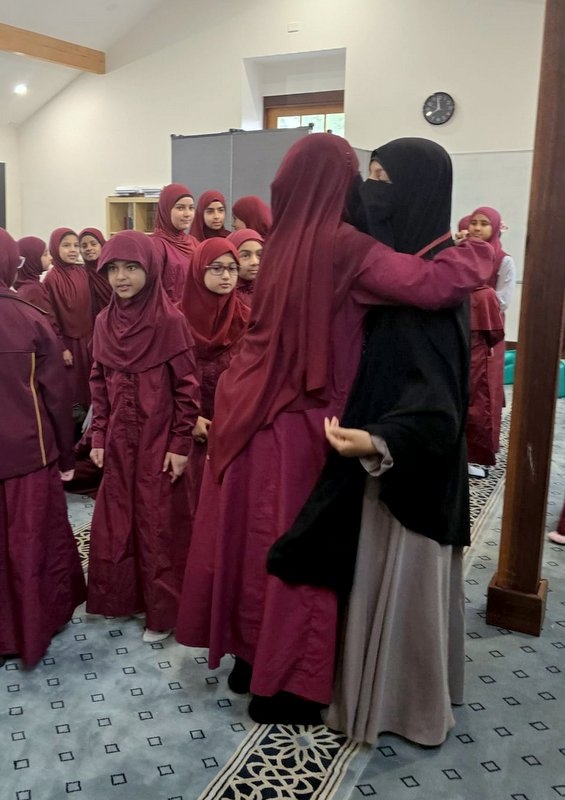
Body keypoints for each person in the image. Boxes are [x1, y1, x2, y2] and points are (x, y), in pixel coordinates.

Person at [174, 133, 495, 725]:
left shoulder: (278, 244)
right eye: (360, 177)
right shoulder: (342, 244)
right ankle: (284, 688)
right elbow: (431, 286)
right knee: (303, 550)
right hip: (302, 420)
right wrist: (483, 249)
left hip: (246, 411)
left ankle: (249, 660)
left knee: (251, 545)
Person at [269, 137, 477, 745]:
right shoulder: (400, 267)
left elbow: (439, 407)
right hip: (378, 458)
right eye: (369, 176)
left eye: (384, 178)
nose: (369, 193)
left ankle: (402, 708)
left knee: (402, 590)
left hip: (407, 471)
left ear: (416, 190)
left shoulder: (434, 283)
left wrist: (380, 441)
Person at [86, 231, 200, 643]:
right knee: (120, 519)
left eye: (131, 267)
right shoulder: (104, 322)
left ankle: (161, 610)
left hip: (158, 440)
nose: (121, 277)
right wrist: (99, 435)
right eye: (113, 269)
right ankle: (126, 597)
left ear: (150, 269)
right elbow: (98, 383)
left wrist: (180, 445)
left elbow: (188, 389)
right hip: (119, 440)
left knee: (157, 523)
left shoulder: (170, 322)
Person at [0, 227, 86, 667]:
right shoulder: (30, 318)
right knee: (30, 543)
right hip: (29, 457)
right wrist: (67, 457)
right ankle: (33, 626)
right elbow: (56, 396)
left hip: (25, 455)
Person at [181, 238, 249, 515]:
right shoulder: (176, 319)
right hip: (185, 424)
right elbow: (164, 379)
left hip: (231, 423)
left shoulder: (247, 319)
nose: (226, 276)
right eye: (217, 268)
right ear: (199, 270)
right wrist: (189, 417)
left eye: (232, 269)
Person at [460, 207, 516, 476]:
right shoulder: (460, 254)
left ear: (494, 228)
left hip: (487, 334)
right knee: (459, 389)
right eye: (474, 222)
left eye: (484, 224)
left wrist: (478, 295)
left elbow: (503, 300)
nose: (477, 228)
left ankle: (477, 455)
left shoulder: (503, 260)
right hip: (460, 331)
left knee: (483, 392)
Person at [43, 227, 94, 413]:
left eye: (76, 245)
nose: (73, 250)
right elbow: (50, 316)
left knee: (91, 385)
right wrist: (62, 347)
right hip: (68, 343)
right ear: (55, 248)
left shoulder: (83, 272)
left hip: (88, 339)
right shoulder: (51, 278)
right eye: (66, 245)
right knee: (73, 390)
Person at [151, 183, 198, 304]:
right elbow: (153, 291)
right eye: (180, 208)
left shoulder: (193, 242)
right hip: (167, 312)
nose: (187, 214)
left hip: (193, 310)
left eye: (191, 208)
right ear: (166, 210)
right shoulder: (157, 245)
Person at [14, 235, 63, 342]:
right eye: (45, 254)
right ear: (32, 259)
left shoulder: (26, 286)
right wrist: (61, 347)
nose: (50, 258)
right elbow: (48, 323)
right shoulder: (33, 290)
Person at [78, 227, 112, 317]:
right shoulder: (80, 274)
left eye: (93, 244)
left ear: (102, 245)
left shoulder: (112, 270)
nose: (89, 248)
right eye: (84, 246)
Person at [228, 228, 264, 306]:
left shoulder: (270, 291)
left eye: (259, 255)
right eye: (245, 255)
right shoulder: (224, 295)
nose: (255, 262)